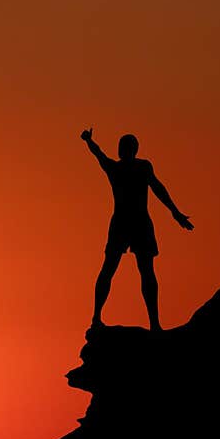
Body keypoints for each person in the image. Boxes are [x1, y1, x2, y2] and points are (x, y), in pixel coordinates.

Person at [81, 128, 193, 331]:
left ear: (128, 150)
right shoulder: (130, 168)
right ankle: (98, 318)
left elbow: (158, 188)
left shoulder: (129, 168)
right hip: (130, 222)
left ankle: (151, 323)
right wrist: (175, 213)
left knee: (138, 271)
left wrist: (175, 213)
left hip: (132, 222)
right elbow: (98, 153)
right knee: (117, 269)